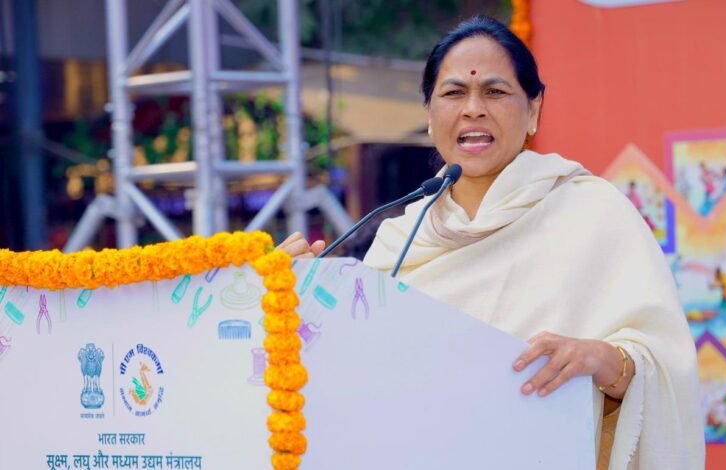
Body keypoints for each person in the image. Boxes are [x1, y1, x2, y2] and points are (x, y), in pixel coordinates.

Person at [280, 16, 703, 470]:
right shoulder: (399, 240)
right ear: (429, 115)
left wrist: (606, 360)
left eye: (495, 92)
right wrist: (296, 296)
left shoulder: (594, 213)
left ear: (534, 110)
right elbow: (355, 380)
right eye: (453, 93)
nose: (473, 109)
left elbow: (666, 364)